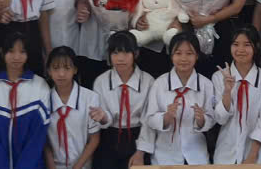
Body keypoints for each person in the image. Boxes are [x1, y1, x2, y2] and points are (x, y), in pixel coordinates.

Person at [0, 31, 50, 169]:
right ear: (2, 52)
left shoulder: (40, 86)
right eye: (11, 51)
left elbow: (38, 136)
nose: (17, 57)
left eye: (22, 52)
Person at [143, 31, 217, 165]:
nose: (183, 58)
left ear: (197, 56)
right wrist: (166, 117)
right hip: (164, 156)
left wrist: (201, 120)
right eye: (178, 53)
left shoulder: (206, 84)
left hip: (196, 155)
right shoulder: (159, 83)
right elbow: (150, 118)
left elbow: (211, 119)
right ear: (171, 55)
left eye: (189, 53)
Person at [90, 31, 156, 168]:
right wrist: (103, 117)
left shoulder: (148, 81)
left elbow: (148, 121)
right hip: (109, 138)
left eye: (126, 53)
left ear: (136, 54)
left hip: (138, 138)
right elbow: (104, 118)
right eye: (115, 53)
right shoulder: (101, 81)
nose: (120, 58)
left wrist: (140, 153)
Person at [211, 26, 261, 164]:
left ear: (256, 47)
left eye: (246, 45)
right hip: (226, 152)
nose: (240, 50)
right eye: (236, 44)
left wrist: (252, 157)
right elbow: (220, 119)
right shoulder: (218, 77)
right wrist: (227, 91)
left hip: (256, 154)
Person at [44, 46, 102, 169]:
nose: (61, 74)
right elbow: (44, 142)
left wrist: (77, 167)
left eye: (67, 68)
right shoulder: (44, 100)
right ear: (49, 71)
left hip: (83, 166)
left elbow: (94, 139)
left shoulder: (90, 98)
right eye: (56, 68)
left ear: (75, 69)